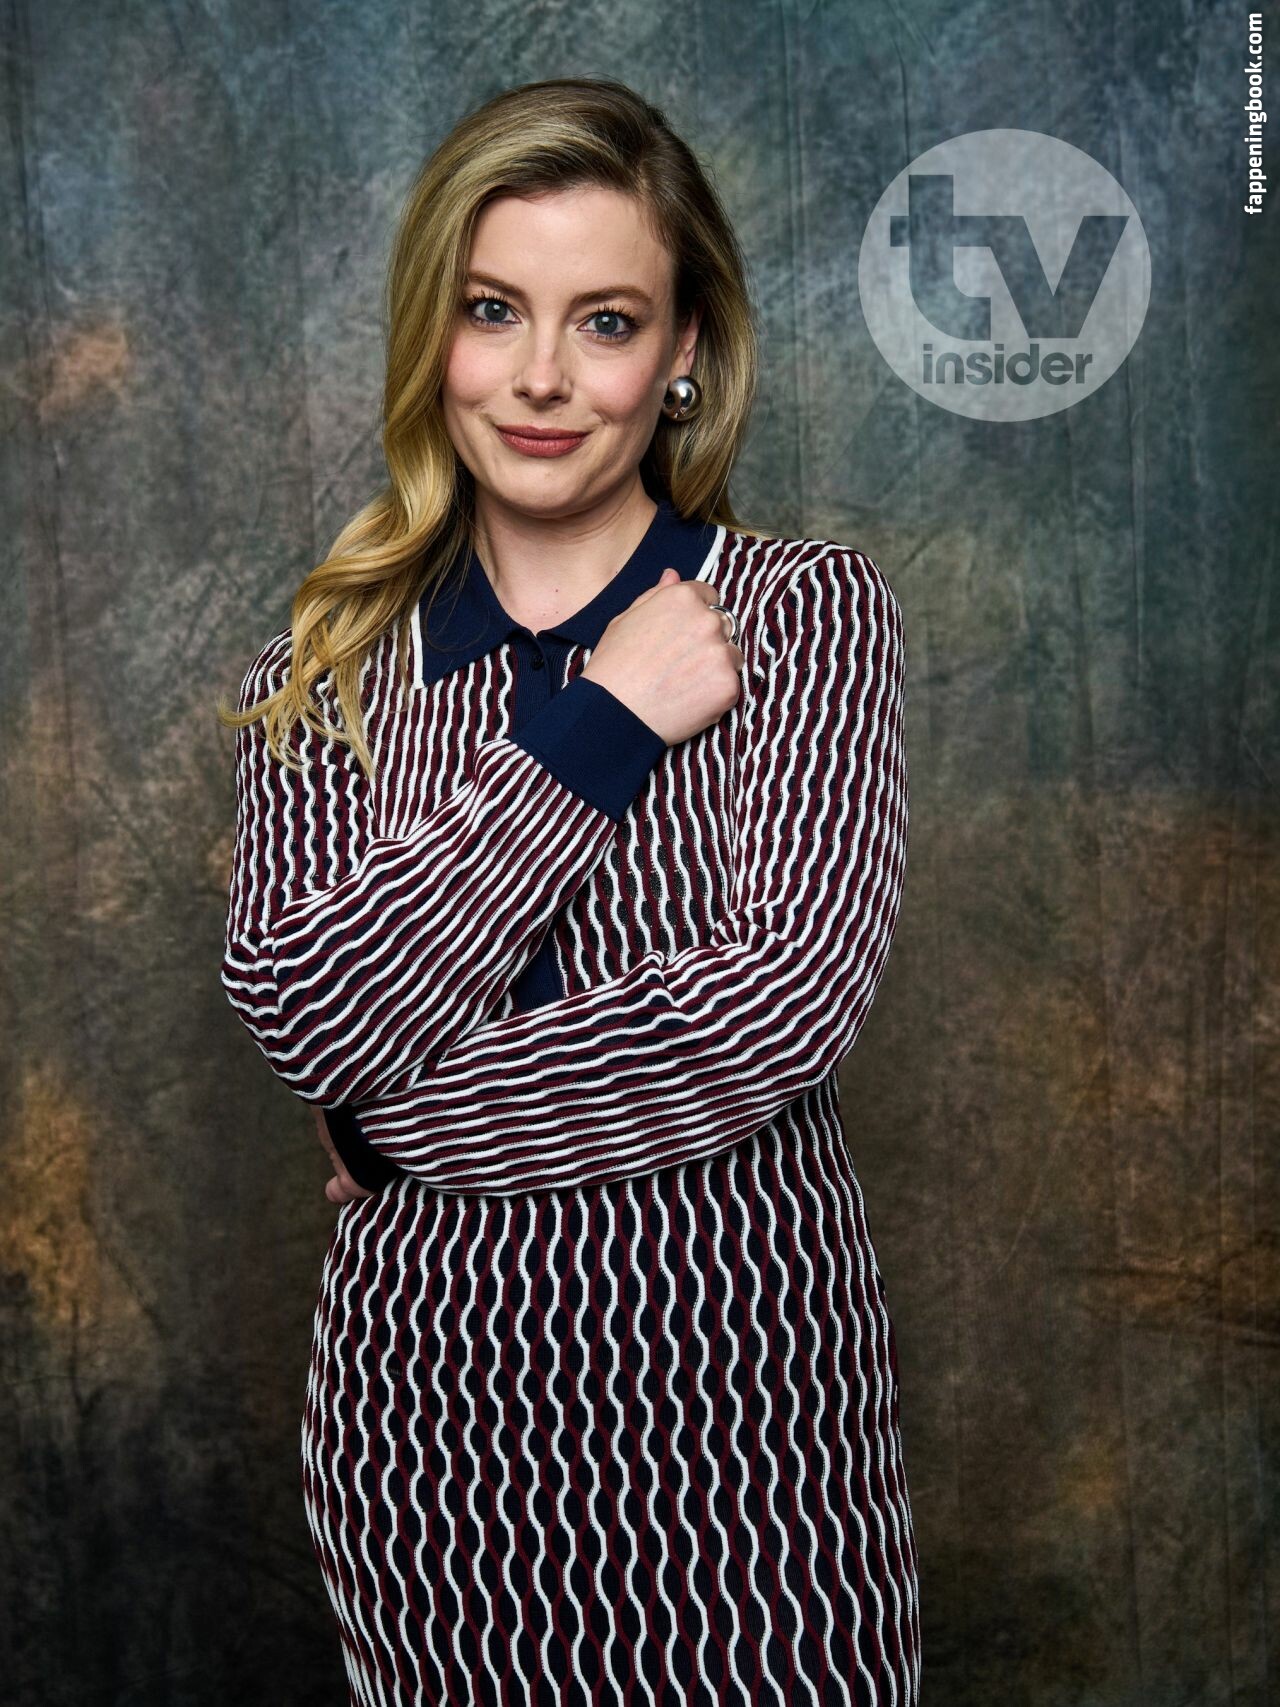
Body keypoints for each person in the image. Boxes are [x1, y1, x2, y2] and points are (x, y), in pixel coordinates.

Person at [218, 74, 919, 1707]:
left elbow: (774, 1012)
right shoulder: (319, 677)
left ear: (683, 353)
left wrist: (391, 1126)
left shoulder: (803, 616)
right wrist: (600, 724)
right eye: (492, 311)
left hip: (755, 1442)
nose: (541, 377)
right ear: (433, 336)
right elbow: (303, 1010)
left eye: (605, 321)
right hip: (425, 1449)